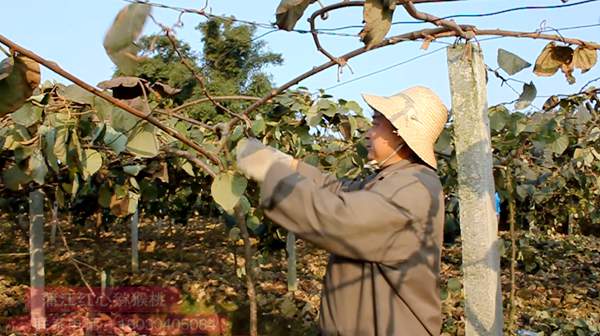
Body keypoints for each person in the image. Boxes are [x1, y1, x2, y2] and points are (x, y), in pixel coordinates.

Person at [236, 86, 448, 336]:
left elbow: (343, 219)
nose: (368, 134)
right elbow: (340, 189)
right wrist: (289, 164)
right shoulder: (392, 178)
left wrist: (273, 173)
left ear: (400, 134)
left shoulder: (414, 189)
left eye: (376, 124)